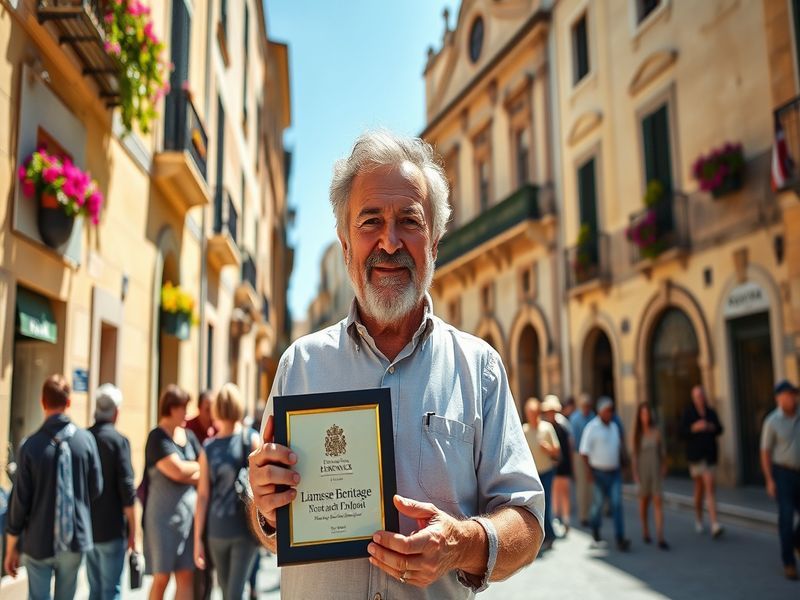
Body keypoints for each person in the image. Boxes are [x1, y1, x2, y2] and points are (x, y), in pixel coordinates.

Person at [248, 130, 545, 597]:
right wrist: (263, 504)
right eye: (369, 222)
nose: (389, 242)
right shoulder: (298, 366)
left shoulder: (479, 368)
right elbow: (269, 526)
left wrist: (461, 542)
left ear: (435, 242)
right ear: (345, 244)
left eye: (409, 220)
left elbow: (526, 523)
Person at [3, 374, 103, 600]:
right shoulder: (85, 440)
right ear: (68, 402)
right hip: (75, 539)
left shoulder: (30, 445)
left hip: (38, 540)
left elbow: (19, 501)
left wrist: (11, 546)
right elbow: (96, 488)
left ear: (42, 402)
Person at [194, 383, 261, 599]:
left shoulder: (209, 447)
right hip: (238, 531)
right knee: (229, 594)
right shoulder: (250, 439)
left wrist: (197, 540)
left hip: (226, 531)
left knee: (231, 595)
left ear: (217, 409)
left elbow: (203, 496)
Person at [144, 385, 203, 600]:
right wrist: (197, 470)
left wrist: (194, 470)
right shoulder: (157, 438)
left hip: (188, 519)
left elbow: (203, 466)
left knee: (186, 575)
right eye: (183, 408)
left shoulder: (188, 436)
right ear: (171, 408)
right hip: (162, 521)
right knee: (162, 577)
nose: (187, 413)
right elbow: (177, 471)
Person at [87, 383, 137, 599]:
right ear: (116, 412)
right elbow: (127, 490)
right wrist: (134, 531)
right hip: (112, 529)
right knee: (111, 591)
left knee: (95, 590)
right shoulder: (119, 442)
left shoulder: (83, 438)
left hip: (88, 529)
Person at [760, 379, 800, 581]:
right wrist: (769, 479)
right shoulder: (772, 421)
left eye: (794, 393)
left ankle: (795, 541)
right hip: (782, 474)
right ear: (779, 398)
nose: (793, 397)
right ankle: (789, 563)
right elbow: (765, 452)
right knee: (786, 516)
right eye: (789, 394)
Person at [580, 397, 631, 551]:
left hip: (614, 472)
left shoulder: (614, 426)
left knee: (617, 504)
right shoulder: (591, 428)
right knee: (598, 504)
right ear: (601, 412)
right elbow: (584, 452)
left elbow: (619, 447)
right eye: (608, 410)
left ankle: (620, 537)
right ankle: (595, 527)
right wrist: (589, 472)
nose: (611, 413)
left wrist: (624, 463)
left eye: (611, 410)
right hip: (599, 473)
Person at [680, 385, 724, 538]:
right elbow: (682, 432)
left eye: (702, 395)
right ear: (693, 398)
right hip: (696, 456)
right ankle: (699, 518)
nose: (700, 398)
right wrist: (695, 428)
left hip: (710, 455)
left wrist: (711, 427)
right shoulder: (688, 413)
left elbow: (720, 429)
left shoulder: (710, 412)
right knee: (699, 488)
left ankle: (714, 523)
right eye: (697, 396)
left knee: (709, 486)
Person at [523, 398, 560, 551]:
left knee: (545, 504)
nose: (531, 416)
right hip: (531, 474)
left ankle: (548, 535)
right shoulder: (523, 430)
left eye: (533, 412)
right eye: (528, 413)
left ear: (538, 412)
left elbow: (557, 451)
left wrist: (548, 450)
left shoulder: (547, 428)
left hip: (546, 472)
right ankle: (544, 535)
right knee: (533, 505)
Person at [632, 402, 668, 550]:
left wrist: (664, 466)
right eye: (643, 414)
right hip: (643, 472)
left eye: (647, 413)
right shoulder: (636, 435)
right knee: (644, 503)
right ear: (639, 416)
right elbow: (634, 456)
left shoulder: (657, 432)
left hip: (655, 471)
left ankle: (660, 536)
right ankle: (645, 530)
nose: (645, 417)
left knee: (658, 501)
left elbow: (662, 452)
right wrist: (635, 474)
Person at [541, 395, 572, 536]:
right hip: (550, 465)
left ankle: (565, 519)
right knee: (553, 493)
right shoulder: (544, 427)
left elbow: (568, 446)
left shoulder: (562, 426)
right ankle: (555, 518)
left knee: (564, 492)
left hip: (563, 464)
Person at [570, 393, 595, 526]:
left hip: (591, 455)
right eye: (584, 406)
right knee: (582, 486)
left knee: (591, 485)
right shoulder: (575, 419)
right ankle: (583, 516)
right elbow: (573, 441)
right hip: (579, 455)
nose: (586, 408)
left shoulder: (593, 417)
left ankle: (591, 513)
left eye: (588, 406)